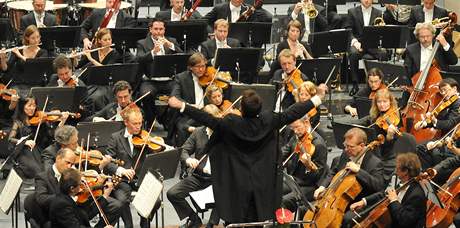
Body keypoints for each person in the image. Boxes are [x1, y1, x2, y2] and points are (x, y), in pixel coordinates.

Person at [167, 83, 327, 223]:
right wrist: (317, 98)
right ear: (260, 108)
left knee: (239, 219)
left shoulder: (231, 123)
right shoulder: (268, 120)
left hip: (236, 181)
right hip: (263, 181)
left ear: (241, 108)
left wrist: (182, 105)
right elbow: (293, 112)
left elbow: (206, 118)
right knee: (258, 218)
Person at [36, 148, 121, 227]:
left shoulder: (73, 175)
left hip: (75, 211)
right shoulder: (42, 177)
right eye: (68, 163)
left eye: (73, 164)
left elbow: (85, 214)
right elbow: (41, 198)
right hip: (56, 217)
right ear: (58, 158)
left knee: (114, 205)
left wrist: (102, 192)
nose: (70, 167)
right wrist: (69, 196)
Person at [167, 104, 221, 228]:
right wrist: (188, 160)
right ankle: (194, 218)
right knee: (172, 193)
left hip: (217, 179)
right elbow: (184, 151)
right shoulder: (198, 132)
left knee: (224, 192)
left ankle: (211, 224)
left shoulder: (224, 134)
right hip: (198, 177)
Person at [102, 107, 157, 228]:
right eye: (135, 123)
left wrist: (161, 147)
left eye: (140, 123)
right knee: (122, 201)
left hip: (141, 179)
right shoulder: (115, 138)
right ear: (126, 122)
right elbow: (107, 164)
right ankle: (129, 225)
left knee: (155, 200)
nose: (139, 126)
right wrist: (121, 170)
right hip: (122, 181)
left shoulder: (146, 137)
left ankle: (145, 220)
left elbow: (154, 158)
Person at [349, 152, 427, 228]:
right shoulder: (403, 184)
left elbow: (405, 221)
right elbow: (384, 194)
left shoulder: (416, 195)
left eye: (398, 168)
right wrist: (363, 202)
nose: (395, 170)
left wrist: (394, 201)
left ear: (405, 172)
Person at [313, 128, 384, 204]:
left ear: (362, 145)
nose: (346, 149)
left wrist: (359, 171)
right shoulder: (346, 153)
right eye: (345, 145)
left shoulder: (375, 163)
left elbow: (378, 187)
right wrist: (322, 187)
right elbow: (334, 171)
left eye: (351, 146)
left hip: (359, 202)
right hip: (338, 197)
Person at [136, 18, 182, 126]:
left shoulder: (172, 41)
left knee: (177, 94)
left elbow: (182, 55)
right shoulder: (142, 43)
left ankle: (166, 120)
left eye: (161, 29)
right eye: (156, 29)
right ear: (150, 30)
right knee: (146, 95)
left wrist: (170, 45)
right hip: (151, 81)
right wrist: (153, 52)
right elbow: (139, 59)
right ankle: (152, 119)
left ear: (164, 30)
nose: (158, 32)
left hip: (169, 80)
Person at [8, 97, 67, 179]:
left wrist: (62, 122)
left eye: (34, 105)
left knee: (48, 169)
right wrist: (25, 141)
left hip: (38, 150)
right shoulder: (18, 122)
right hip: (24, 152)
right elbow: (10, 139)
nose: (32, 108)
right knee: (38, 171)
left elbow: (54, 136)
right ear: (22, 106)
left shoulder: (41, 119)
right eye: (29, 105)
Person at [281, 116, 327, 212]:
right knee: (275, 188)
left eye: (297, 127)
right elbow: (285, 151)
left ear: (306, 122)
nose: (295, 131)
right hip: (295, 180)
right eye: (292, 128)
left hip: (310, 185)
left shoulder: (319, 144)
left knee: (285, 200)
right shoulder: (298, 136)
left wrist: (308, 165)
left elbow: (318, 176)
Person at [49, 167, 115, 228]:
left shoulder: (68, 197)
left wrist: (105, 195)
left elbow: (86, 215)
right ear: (72, 188)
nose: (83, 185)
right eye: (80, 184)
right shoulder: (61, 205)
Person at [345, 0, 387, 96]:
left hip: (372, 44)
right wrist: (355, 42)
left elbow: (379, 32)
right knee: (353, 54)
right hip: (358, 43)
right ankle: (355, 85)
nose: (367, 0)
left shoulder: (379, 12)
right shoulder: (352, 11)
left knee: (383, 54)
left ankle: (379, 84)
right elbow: (348, 30)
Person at [0, 25, 51, 97]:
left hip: (36, 83)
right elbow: (6, 69)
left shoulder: (43, 52)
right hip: (18, 84)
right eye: (33, 38)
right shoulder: (19, 50)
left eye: (38, 37)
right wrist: (2, 58)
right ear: (27, 38)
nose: (36, 40)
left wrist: (20, 56)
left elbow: (33, 65)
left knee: (31, 97)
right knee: (14, 96)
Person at [169, 52, 207, 146]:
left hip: (206, 112)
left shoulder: (209, 77)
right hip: (188, 115)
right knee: (182, 128)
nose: (201, 69)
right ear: (190, 67)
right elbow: (174, 97)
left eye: (203, 66)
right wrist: (189, 106)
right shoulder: (181, 78)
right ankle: (183, 156)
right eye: (198, 66)